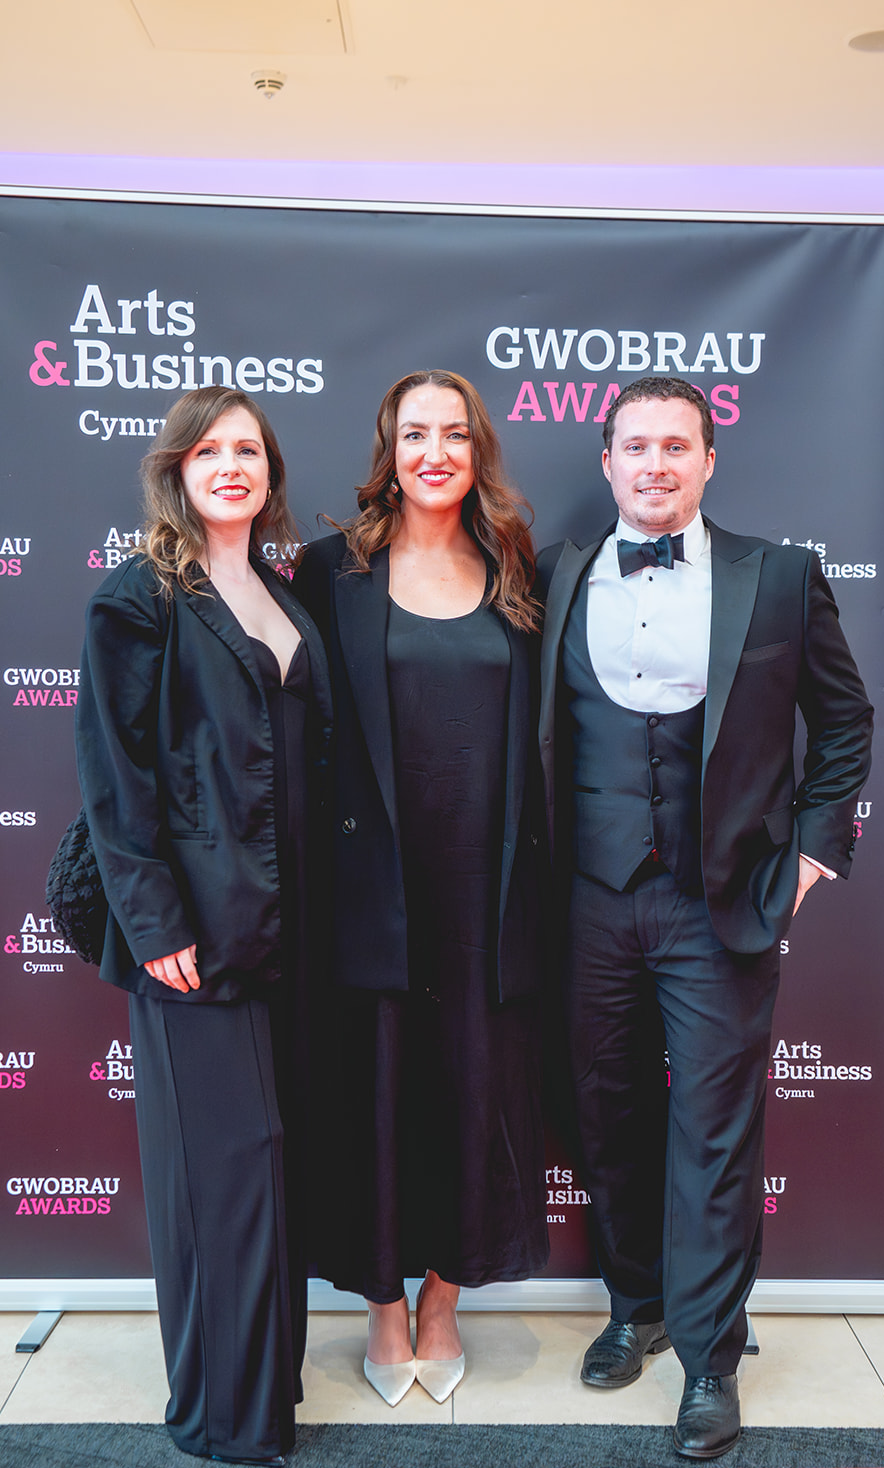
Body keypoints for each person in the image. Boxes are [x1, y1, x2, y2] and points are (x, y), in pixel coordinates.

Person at [536, 375, 873, 1458]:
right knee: (606, 1117)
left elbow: (843, 721)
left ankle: (709, 1359)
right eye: (635, 446)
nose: (655, 465)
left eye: (675, 446)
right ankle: (635, 1305)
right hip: (586, 900)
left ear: (707, 460)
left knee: (715, 1135)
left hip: (720, 899)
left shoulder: (779, 576)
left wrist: (811, 854)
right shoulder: (552, 575)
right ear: (606, 462)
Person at [75, 387, 332, 1464]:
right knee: (223, 1169)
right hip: (193, 933)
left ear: (269, 472)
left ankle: (266, 1390)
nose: (232, 466)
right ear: (176, 469)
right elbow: (115, 777)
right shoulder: (139, 595)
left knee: (274, 1164)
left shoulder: (280, 590)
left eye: (249, 450)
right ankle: (222, 1416)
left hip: (288, 925)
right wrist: (153, 923)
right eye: (210, 450)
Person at [295, 370, 549, 1407]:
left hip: (489, 894)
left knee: (473, 1095)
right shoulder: (331, 572)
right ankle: (382, 1305)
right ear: (387, 452)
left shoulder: (517, 567)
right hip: (371, 891)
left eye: (453, 433)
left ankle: (443, 1297)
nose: (433, 452)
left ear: (477, 450)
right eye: (414, 434)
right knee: (376, 1101)